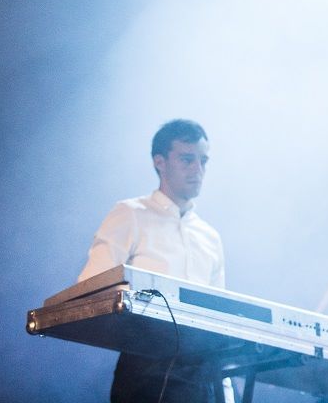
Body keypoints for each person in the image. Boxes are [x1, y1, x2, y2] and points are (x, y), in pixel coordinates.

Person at [79, 119, 229, 403]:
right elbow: (91, 285)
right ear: (160, 162)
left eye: (203, 161)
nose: (198, 170)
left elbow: (218, 321)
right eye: (187, 159)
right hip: (145, 370)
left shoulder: (211, 237)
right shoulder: (130, 213)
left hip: (201, 375)